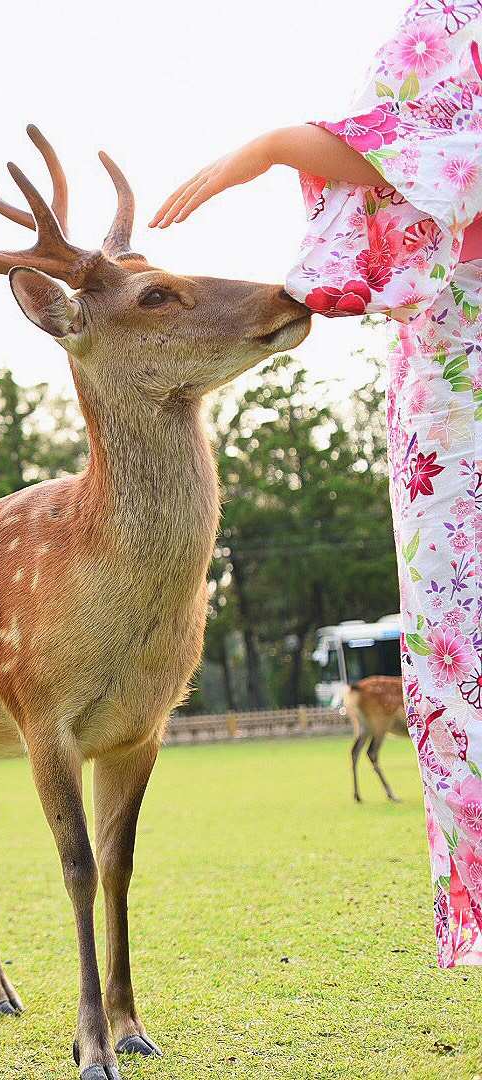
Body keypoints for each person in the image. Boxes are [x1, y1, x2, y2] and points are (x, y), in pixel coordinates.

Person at [150, 1, 482, 969]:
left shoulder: (451, 166)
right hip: (442, 426)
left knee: (459, 673)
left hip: (451, 434)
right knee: (456, 674)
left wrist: (260, 150)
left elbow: (365, 150)